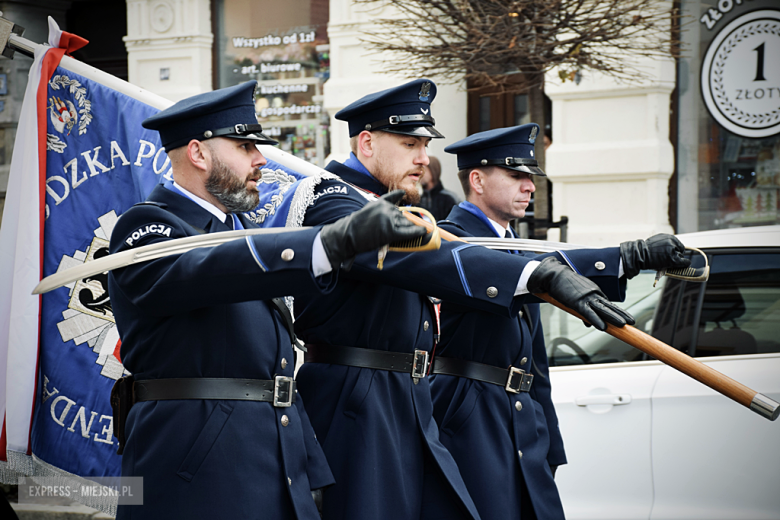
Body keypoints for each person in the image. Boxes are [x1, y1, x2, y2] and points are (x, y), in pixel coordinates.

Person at [288, 79, 637, 520]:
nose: (422, 157)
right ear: (367, 142)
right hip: (355, 401)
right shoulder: (333, 199)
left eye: (424, 143)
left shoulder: (390, 205)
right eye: (409, 143)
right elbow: (424, 258)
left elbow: (493, 255)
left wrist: (620, 258)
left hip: (405, 397)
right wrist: (534, 275)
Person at [107, 81, 426, 520]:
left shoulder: (243, 235)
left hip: (269, 453)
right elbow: (201, 273)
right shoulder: (148, 227)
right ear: (198, 154)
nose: (261, 159)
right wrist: (328, 243)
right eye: (244, 146)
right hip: (199, 463)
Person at [429, 124, 691, 519]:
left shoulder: (518, 248)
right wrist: (625, 256)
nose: (530, 187)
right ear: (477, 180)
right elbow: (512, 268)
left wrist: (547, 437)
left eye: (530, 178)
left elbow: (535, 361)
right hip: (469, 417)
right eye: (516, 176)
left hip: (519, 416)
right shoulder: (452, 239)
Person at [419, 155, 460, 221]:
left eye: (424, 170)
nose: (420, 173)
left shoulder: (449, 199)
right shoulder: (417, 201)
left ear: (433, 171)